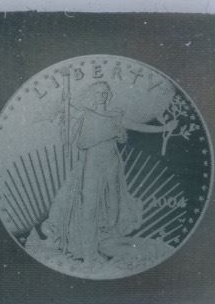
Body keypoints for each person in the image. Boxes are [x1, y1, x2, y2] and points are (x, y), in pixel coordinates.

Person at [36, 80, 145, 265]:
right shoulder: (86, 115)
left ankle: (105, 243)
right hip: (92, 165)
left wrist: (164, 128)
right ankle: (89, 254)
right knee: (89, 208)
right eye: (98, 92)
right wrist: (64, 104)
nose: (101, 95)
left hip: (112, 164)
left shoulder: (115, 116)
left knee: (113, 208)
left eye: (105, 92)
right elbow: (74, 133)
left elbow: (137, 126)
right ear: (92, 95)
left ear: (108, 95)